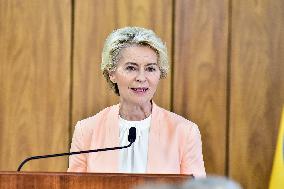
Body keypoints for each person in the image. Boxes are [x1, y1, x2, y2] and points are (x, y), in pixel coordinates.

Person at [67, 26, 206, 177]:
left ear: (160, 73)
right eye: (131, 68)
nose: (141, 77)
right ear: (112, 73)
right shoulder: (87, 130)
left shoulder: (185, 132)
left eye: (150, 69)